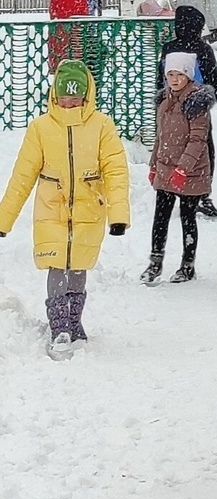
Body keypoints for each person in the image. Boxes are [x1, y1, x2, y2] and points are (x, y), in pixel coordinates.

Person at [0, 60, 130, 360]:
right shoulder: (41, 129)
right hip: (52, 207)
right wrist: (5, 218)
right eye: (64, 96)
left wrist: (119, 214)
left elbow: (116, 171)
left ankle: (74, 320)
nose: (69, 103)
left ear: (87, 96)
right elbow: (22, 175)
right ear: (54, 95)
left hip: (88, 208)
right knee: (57, 263)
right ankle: (59, 325)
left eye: (76, 97)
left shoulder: (102, 127)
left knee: (79, 264)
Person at [141, 52, 215, 285]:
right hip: (165, 168)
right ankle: (155, 261)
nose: (174, 79)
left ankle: (188, 264)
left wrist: (183, 168)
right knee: (160, 217)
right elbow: (160, 138)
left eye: (179, 74)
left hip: (191, 171)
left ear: (188, 75)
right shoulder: (164, 101)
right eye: (170, 74)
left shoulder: (196, 103)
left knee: (187, 217)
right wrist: (154, 164)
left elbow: (198, 139)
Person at [157, 5, 217, 218]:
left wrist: (162, 105)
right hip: (196, 107)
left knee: (170, 148)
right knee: (204, 150)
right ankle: (201, 195)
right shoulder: (202, 49)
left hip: (171, 107)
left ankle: (169, 188)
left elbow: (160, 79)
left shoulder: (169, 48)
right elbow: (214, 81)